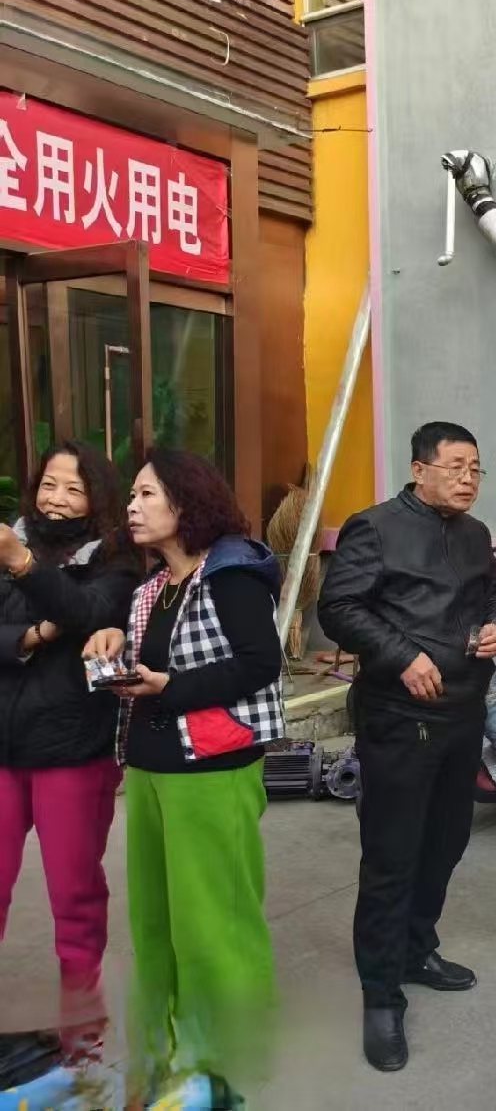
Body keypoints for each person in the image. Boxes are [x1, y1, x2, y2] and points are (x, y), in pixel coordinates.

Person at [81, 449, 284, 1102]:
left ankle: (224, 1068)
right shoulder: (152, 588)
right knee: (156, 927)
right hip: (148, 770)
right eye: (131, 495)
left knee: (215, 928)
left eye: (147, 494)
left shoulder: (230, 572)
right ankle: (166, 1060)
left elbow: (261, 663)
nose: (132, 506)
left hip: (212, 769)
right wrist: (114, 648)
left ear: (185, 501)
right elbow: (151, 665)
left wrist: (170, 686)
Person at [318, 421, 496, 1073]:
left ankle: (415, 949)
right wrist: (402, 656)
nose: (467, 478)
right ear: (418, 469)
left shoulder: (475, 534)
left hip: (462, 713)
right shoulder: (375, 528)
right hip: (399, 718)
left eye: (475, 468)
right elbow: (339, 607)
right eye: (455, 466)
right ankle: (380, 994)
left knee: (446, 842)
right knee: (392, 855)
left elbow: (491, 596)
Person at [0, 442, 139, 1040]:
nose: (56, 499)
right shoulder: (9, 541)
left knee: (74, 893)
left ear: (97, 499)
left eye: (74, 489)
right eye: (49, 485)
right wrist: (31, 636)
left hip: (71, 749)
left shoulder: (116, 561)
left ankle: (80, 1025)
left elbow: (88, 613)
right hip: (2, 750)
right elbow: (55, 621)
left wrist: (24, 567)